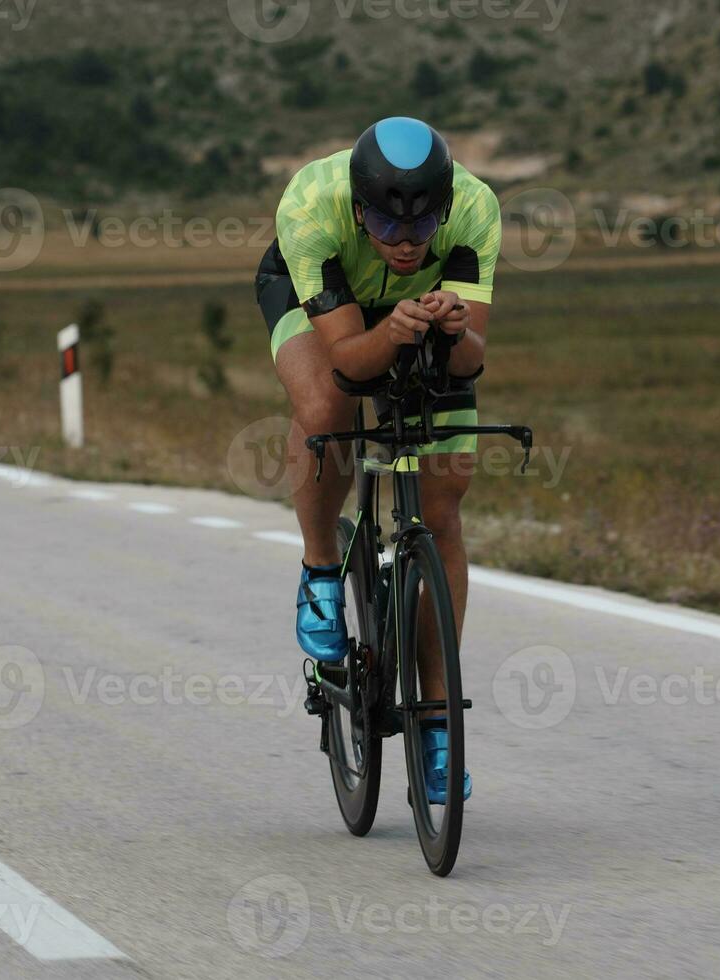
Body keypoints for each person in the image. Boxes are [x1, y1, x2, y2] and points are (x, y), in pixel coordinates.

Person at [254, 117, 501, 803]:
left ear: (445, 210)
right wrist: (389, 330)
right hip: (326, 315)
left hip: (415, 317)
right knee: (328, 413)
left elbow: (473, 359)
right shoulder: (312, 207)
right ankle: (320, 569)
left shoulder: (477, 209)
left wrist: (452, 330)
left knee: (443, 508)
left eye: (422, 230)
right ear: (359, 211)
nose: (404, 244)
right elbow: (349, 364)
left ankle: (437, 725)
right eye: (388, 229)